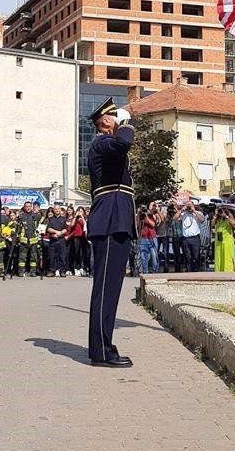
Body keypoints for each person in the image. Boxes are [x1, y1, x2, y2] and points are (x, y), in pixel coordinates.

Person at [86, 97, 136, 368]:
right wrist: (125, 123)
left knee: (110, 289)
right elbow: (125, 141)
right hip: (109, 222)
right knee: (105, 289)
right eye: (114, 118)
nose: (118, 122)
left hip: (116, 221)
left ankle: (103, 347)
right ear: (107, 121)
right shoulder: (102, 142)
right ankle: (101, 351)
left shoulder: (106, 144)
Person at [16, 200, 43, 277]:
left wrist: (39, 211)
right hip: (23, 240)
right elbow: (17, 228)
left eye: (29, 206)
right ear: (24, 207)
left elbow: (44, 219)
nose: (28, 208)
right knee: (22, 258)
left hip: (33, 240)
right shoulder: (21, 216)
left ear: (31, 207)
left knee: (34, 258)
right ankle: (21, 272)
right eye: (26, 206)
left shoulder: (36, 215)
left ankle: (33, 272)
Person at [178, 201, 205, 272]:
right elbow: (174, 218)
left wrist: (194, 211)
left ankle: (197, 272)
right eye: (187, 205)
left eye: (190, 205)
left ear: (193, 205)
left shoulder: (198, 213)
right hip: (185, 239)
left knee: (196, 256)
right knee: (187, 257)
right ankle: (189, 271)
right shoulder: (183, 214)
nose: (189, 206)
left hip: (195, 238)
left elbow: (202, 220)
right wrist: (182, 210)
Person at [212, 206, 235, 272]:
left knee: (227, 257)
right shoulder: (218, 218)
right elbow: (212, 224)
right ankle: (218, 272)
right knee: (219, 258)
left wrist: (226, 216)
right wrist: (215, 216)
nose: (221, 212)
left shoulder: (229, 216)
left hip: (227, 241)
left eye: (222, 210)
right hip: (219, 241)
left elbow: (234, 225)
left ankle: (228, 271)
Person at [47, 204, 69, 276]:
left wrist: (60, 233)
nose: (57, 210)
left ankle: (62, 271)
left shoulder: (64, 219)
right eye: (55, 209)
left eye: (58, 209)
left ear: (60, 209)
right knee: (52, 256)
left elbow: (66, 229)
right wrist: (56, 232)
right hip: (53, 240)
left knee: (62, 256)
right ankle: (52, 271)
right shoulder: (51, 219)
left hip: (61, 240)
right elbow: (48, 229)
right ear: (53, 210)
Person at [136, 205, 159, 274]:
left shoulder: (151, 215)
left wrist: (146, 216)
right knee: (143, 256)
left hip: (152, 237)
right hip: (143, 238)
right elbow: (137, 226)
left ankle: (155, 271)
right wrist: (138, 215)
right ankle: (145, 272)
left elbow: (153, 225)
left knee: (154, 256)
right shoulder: (140, 216)